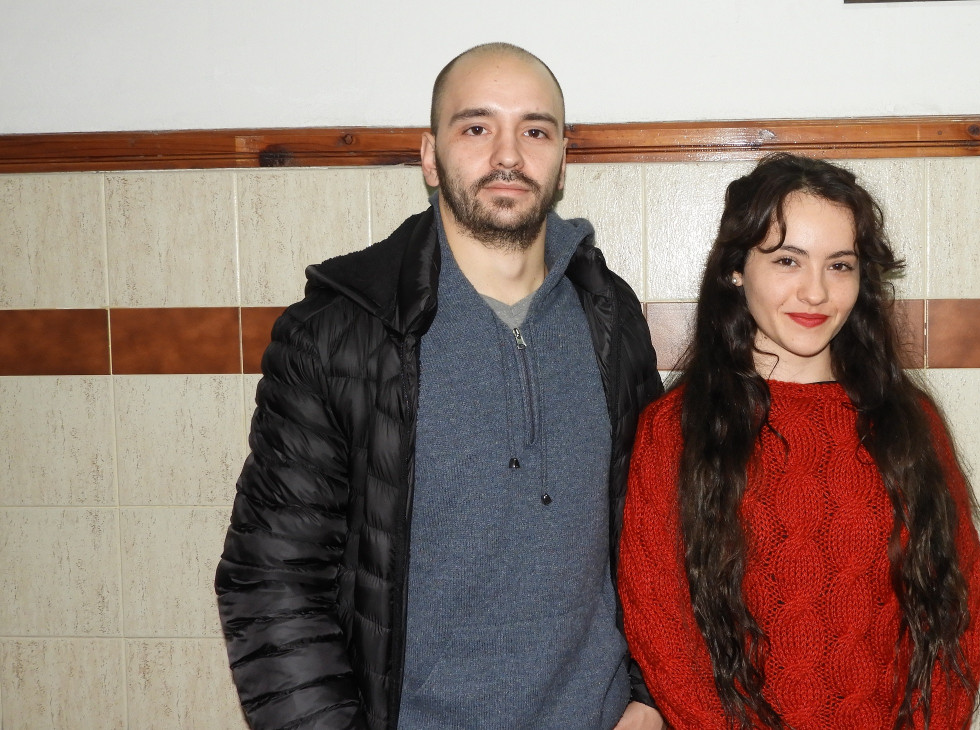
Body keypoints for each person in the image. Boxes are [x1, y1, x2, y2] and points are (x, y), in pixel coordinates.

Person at [215, 43, 664, 730]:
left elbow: (659, 534)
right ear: (430, 155)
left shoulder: (611, 317)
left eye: (535, 130)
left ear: (562, 157)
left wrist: (649, 696)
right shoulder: (339, 333)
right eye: (476, 127)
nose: (508, 155)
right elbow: (272, 581)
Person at [617, 153, 980, 730]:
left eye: (840, 265)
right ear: (736, 268)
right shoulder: (674, 430)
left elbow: (952, 621)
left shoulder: (912, 427)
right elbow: (663, 629)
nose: (815, 292)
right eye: (788, 260)